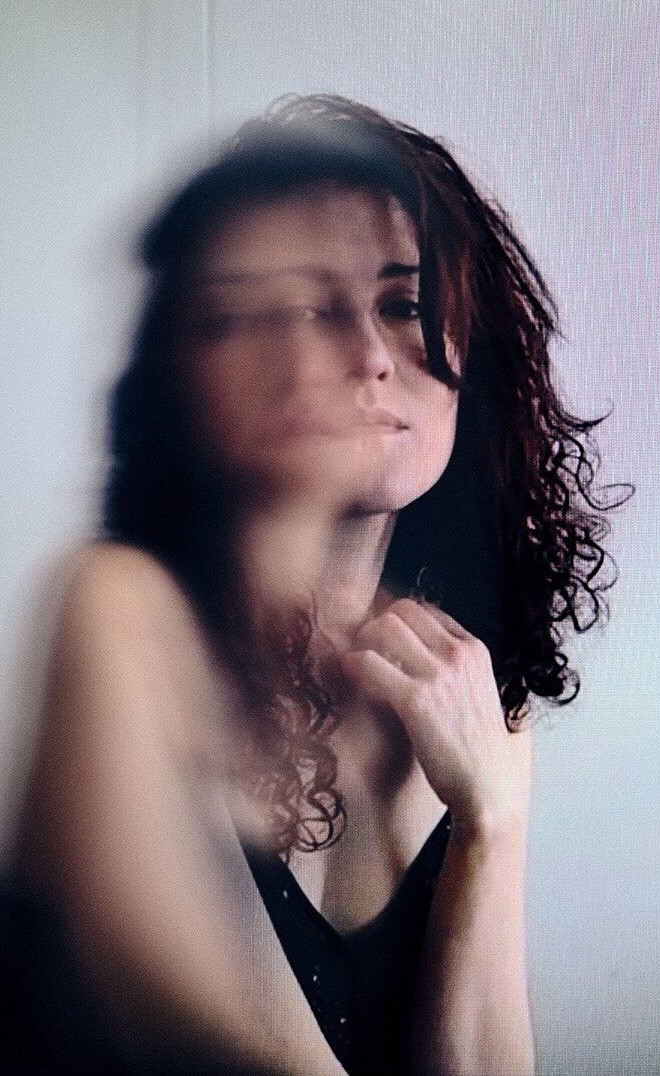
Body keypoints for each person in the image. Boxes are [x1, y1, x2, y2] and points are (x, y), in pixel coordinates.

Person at [4, 94, 628, 1075]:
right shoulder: (117, 610)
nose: (369, 357)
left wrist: (490, 823)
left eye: (401, 303)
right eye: (295, 309)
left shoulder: (472, 683)